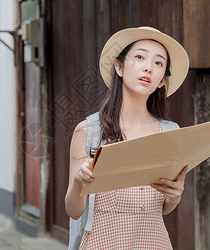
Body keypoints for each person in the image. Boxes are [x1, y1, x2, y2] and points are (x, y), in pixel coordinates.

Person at [65, 26, 190, 249]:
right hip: (101, 243)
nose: (148, 68)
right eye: (140, 57)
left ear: (162, 80)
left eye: (158, 63)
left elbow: (164, 206)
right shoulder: (89, 131)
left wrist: (175, 196)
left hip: (154, 242)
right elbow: (73, 210)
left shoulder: (171, 134)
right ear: (120, 67)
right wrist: (78, 182)